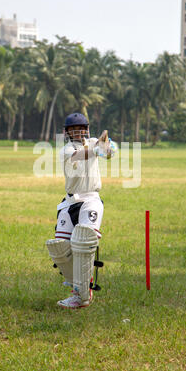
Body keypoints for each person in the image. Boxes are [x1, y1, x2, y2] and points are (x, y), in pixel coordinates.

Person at [46, 113, 116, 309]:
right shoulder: (67, 149)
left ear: (87, 129)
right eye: (73, 129)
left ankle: (81, 296)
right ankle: (79, 287)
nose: (78, 132)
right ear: (67, 132)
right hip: (69, 202)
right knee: (59, 248)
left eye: (81, 128)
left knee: (83, 241)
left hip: (91, 199)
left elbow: (110, 152)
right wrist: (97, 149)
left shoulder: (94, 141)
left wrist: (107, 146)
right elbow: (82, 154)